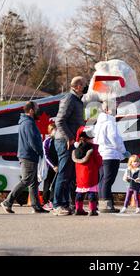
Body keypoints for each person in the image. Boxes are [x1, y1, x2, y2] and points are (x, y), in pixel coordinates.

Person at [1, 101, 47, 214]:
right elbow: (32, 141)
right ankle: (7, 201)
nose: (38, 111)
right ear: (31, 111)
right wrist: (40, 152)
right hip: (28, 155)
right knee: (27, 180)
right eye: (37, 108)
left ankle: (36, 206)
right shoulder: (28, 123)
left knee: (33, 182)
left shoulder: (27, 122)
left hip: (28, 155)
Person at [53, 77, 86, 216]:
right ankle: (58, 205)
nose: (86, 87)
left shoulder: (77, 100)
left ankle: (66, 204)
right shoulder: (69, 99)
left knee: (70, 175)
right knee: (64, 173)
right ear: (78, 86)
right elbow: (59, 121)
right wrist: (70, 138)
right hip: (65, 142)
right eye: (84, 85)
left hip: (73, 142)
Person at [94, 101, 128, 213]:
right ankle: (106, 204)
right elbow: (114, 138)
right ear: (108, 109)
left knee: (103, 180)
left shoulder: (99, 123)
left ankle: (104, 202)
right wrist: (123, 151)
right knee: (108, 180)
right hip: (111, 154)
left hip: (102, 154)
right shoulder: (110, 123)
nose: (116, 110)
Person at [72, 126, 103, 216]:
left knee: (80, 192)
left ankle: (78, 209)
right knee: (91, 192)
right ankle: (92, 210)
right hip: (90, 174)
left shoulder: (76, 150)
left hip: (80, 176)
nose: (92, 139)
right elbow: (99, 161)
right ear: (87, 139)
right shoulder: (93, 149)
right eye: (91, 138)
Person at [42, 123, 58, 211]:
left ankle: (52, 201)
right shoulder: (47, 141)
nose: (56, 132)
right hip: (49, 167)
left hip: (57, 167)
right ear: (50, 131)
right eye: (54, 130)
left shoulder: (58, 140)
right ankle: (45, 202)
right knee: (47, 185)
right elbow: (46, 156)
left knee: (55, 185)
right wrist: (53, 166)